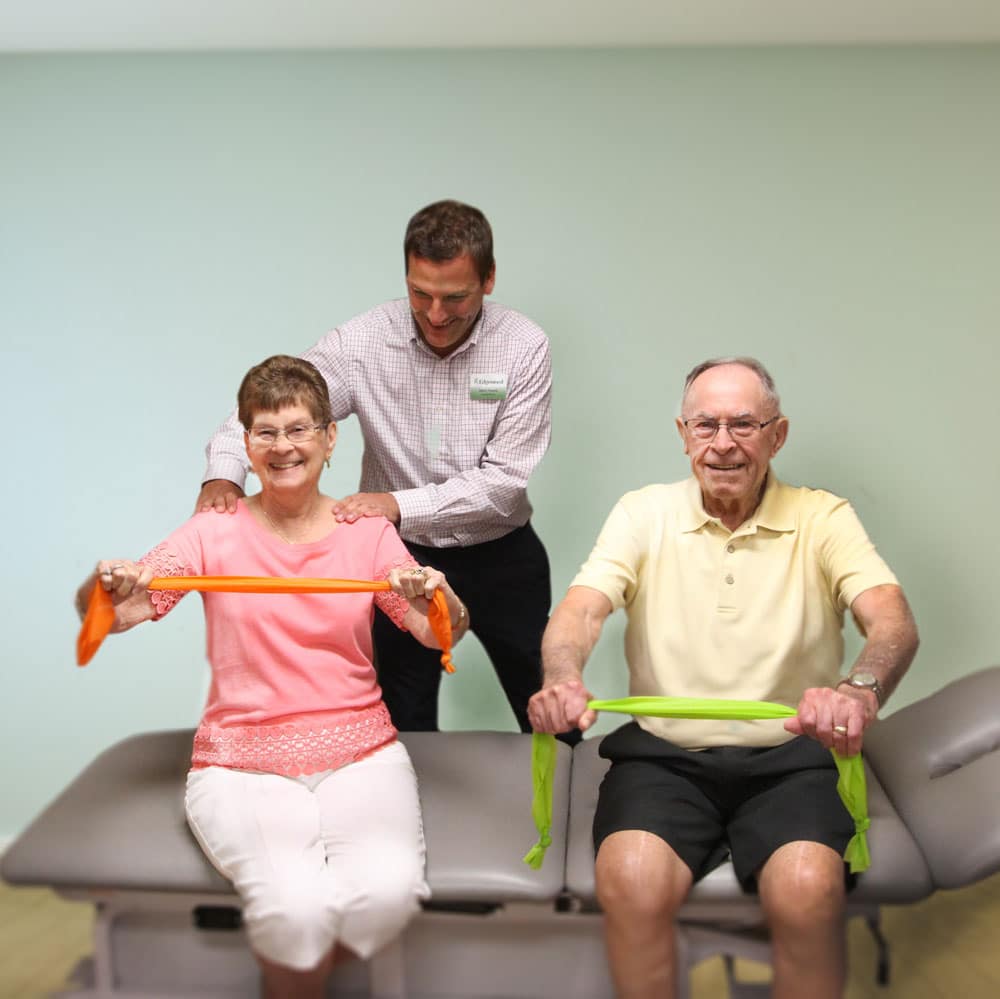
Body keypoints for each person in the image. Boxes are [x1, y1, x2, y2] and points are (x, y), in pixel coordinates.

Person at [75, 355, 469, 999]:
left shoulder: (365, 532)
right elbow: (119, 611)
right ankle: (292, 969)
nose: (283, 446)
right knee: (296, 913)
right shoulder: (213, 530)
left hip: (359, 755)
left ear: (329, 438)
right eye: (266, 431)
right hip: (242, 764)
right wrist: (109, 586)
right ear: (246, 442)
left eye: (298, 429)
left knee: (386, 900)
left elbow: (438, 630)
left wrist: (437, 595)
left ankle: (298, 972)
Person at [527, 357, 919, 999]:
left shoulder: (823, 517)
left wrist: (858, 691)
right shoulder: (643, 512)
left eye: (744, 424)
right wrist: (562, 675)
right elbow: (580, 611)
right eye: (706, 425)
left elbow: (893, 624)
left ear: (777, 434)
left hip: (794, 758)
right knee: (629, 881)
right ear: (683, 433)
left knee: (808, 891)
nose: (723, 443)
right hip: (665, 758)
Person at [196, 200, 552, 736]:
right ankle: (410, 818)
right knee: (404, 717)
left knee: (545, 705)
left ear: (489, 279)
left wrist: (396, 504)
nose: (435, 314)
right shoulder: (361, 342)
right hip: (395, 559)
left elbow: (504, 484)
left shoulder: (524, 347)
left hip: (502, 555)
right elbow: (272, 404)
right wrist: (224, 474)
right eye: (420, 293)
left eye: (455, 297)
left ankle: (572, 819)